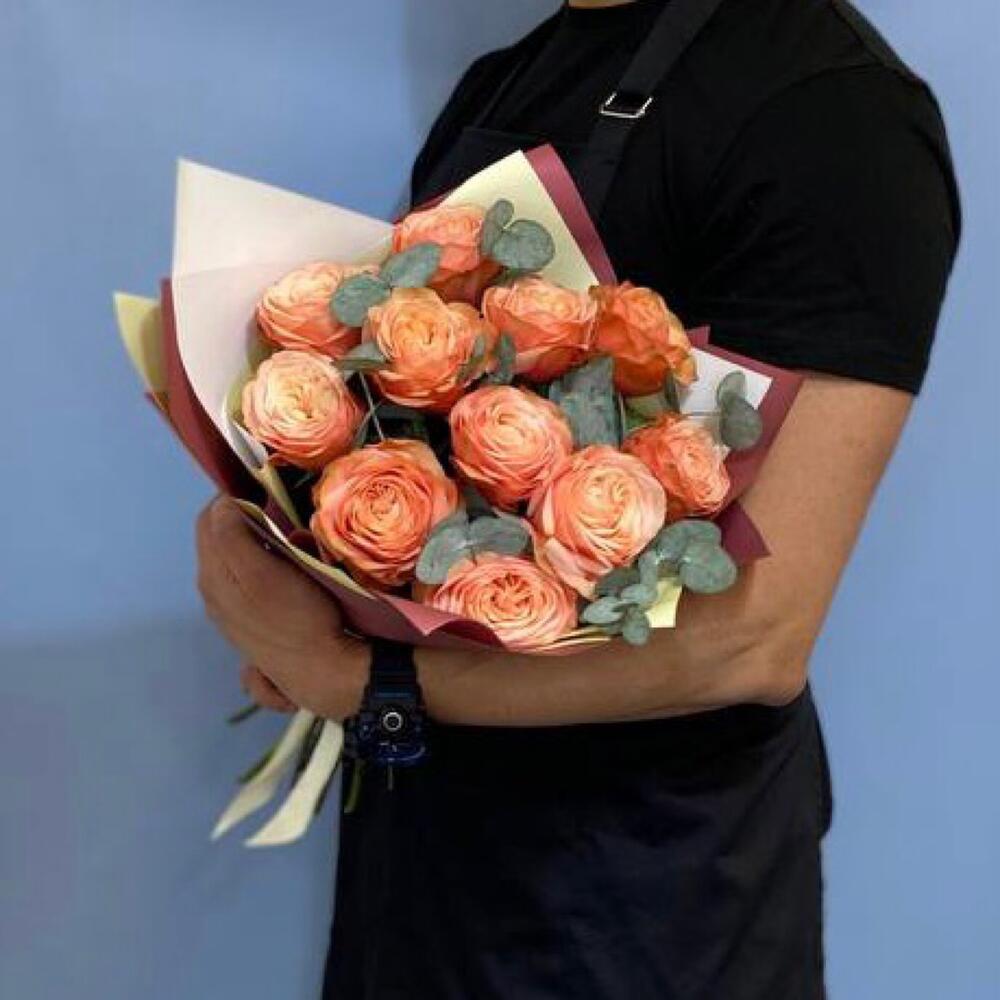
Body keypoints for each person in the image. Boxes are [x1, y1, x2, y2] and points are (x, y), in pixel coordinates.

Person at [195, 0, 960, 996]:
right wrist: (292, 558)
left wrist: (363, 684)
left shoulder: (834, 110)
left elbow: (754, 634)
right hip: (429, 850)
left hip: (645, 889)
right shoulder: (507, 77)